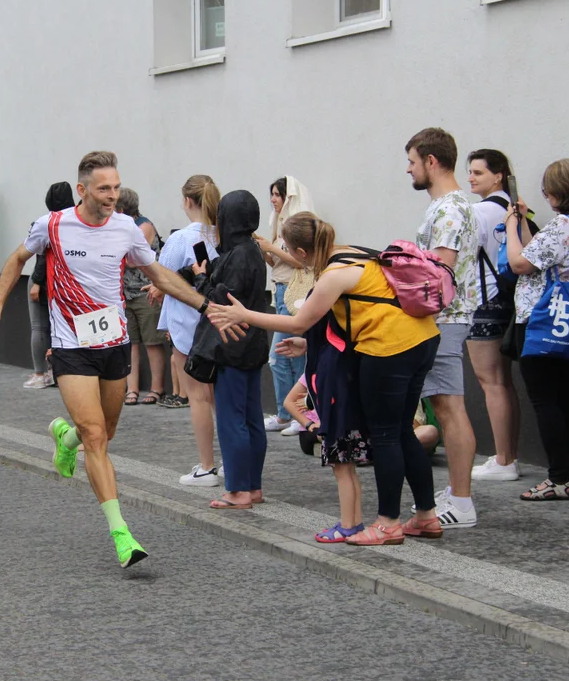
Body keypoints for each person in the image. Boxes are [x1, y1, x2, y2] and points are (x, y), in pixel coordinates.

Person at [0, 151, 222, 568]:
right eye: (104, 188)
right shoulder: (53, 225)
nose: (112, 195)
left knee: (103, 432)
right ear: (83, 189)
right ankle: (121, 534)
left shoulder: (126, 228)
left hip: (112, 342)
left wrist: (205, 306)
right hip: (71, 345)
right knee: (95, 435)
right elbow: (17, 259)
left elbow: (158, 275)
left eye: (115, 187)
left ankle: (64, 437)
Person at [209, 211, 442, 546]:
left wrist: (244, 314)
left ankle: (388, 524)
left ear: (301, 252)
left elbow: (297, 322)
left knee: (387, 436)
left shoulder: (333, 275)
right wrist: (306, 344)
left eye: (289, 250)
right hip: (422, 339)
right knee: (403, 430)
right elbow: (358, 312)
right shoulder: (355, 252)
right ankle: (425, 517)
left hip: (388, 349)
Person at [505, 159, 569, 501]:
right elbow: (542, 255)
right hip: (567, 319)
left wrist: (513, 227)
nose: (546, 196)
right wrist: (526, 223)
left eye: (547, 190)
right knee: (564, 397)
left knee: (545, 400)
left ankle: (558, 478)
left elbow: (520, 263)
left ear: (560, 191)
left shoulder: (562, 224)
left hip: (541, 318)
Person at [406, 127, 481, 529]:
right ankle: (456, 491)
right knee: (446, 408)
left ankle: (463, 504)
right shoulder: (451, 206)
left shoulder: (449, 209)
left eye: (413, 161)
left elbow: (440, 270)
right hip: (446, 317)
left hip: (445, 319)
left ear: (431, 162)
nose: (409, 170)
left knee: (450, 410)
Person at [182, 190, 271, 511]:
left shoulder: (238, 256)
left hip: (231, 346)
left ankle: (237, 491)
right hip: (253, 345)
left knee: (232, 420)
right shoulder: (252, 251)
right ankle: (254, 487)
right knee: (252, 420)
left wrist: (202, 278)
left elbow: (220, 301)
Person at [149, 174, 221, 485]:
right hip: (218, 320)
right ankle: (230, 461)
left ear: (188, 201)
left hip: (187, 322)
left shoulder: (181, 239)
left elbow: (160, 276)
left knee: (198, 396)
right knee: (220, 396)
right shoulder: (221, 235)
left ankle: (207, 465)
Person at [466, 149, 523, 482]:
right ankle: (508, 456)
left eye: (478, 173)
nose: (471, 178)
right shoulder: (510, 207)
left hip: (483, 299)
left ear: (498, 175)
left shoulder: (480, 211)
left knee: (491, 383)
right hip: (505, 298)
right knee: (504, 383)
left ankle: (503, 461)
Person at [284, 370, 371, 543]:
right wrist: (309, 424)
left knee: (342, 472)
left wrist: (309, 422)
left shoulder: (323, 365)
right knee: (349, 472)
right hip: (349, 420)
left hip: (335, 423)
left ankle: (347, 526)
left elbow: (289, 401)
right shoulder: (341, 362)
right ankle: (355, 522)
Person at [255, 176, 313, 434]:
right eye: (272, 194)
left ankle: (292, 414)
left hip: (295, 295)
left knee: (279, 357)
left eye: (278, 195)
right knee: (288, 356)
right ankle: (291, 414)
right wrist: (264, 248)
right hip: (279, 293)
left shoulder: (298, 227)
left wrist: (272, 248)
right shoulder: (278, 227)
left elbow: (302, 262)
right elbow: (276, 264)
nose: (273, 200)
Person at [118, 187, 166, 406]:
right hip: (125, 293)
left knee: (152, 342)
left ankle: (157, 388)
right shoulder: (121, 227)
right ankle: (132, 388)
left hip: (145, 292)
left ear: (123, 208)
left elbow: (132, 260)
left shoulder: (144, 226)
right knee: (131, 343)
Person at [25, 182, 73, 389]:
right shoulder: (77, 222)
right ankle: (58, 371)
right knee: (61, 327)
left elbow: (42, 256)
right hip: (67, 281)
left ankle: (40, 373)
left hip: (46, 279)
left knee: (39, 327)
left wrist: (36, 282)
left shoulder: (47, 223)